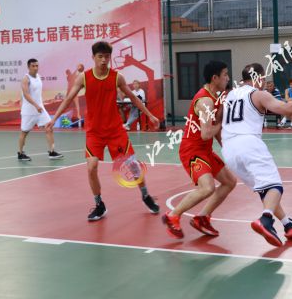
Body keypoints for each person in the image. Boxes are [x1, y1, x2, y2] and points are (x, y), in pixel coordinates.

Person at [46, 41, 161, 219]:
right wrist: (54, 119)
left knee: (133, 165)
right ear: (93, 57)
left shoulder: (117, 77)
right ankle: (99, 204)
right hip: (94, 131)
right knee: (91, 167)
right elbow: (68, 99)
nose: (103, 60)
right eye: (100, 57)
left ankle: (145, 195)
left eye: (107, 57)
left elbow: (133, 98)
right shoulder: (84, 77)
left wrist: (150, 115)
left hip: (115, 130)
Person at [221, 63, 292, 247]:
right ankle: (266, 220)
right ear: (259, 78)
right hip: (248, 143)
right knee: (275, 186)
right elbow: (288, 109)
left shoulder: (229, 95)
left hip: (228, 149)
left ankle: (287, 223)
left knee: (266, 190)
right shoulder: (259, 94)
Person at [162, 61, 237, 238]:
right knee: (207, 188)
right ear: (215, 78)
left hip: (205, 150)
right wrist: (221, 122)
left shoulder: (215, 97)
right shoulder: (205, 101)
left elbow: (214, 131)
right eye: (225, 75)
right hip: (192, 150)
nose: (228, 78)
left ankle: (202, 218)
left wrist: (227, 149)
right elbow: (206, 133)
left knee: (229, 182)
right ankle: (172, 216)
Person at [18, 59, 63, 161]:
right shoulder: (25, 79)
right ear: (28, 67)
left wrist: (40, 105)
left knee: (49, 128)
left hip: (40, 110)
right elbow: (26, 95)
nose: (35, 68)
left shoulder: (38, 76)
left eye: (37, 66)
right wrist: (36, 105)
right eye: (33, 66)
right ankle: (20, 153)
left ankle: (52, 152)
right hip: (29, 112)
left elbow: (37, 93)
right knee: (24, 132)